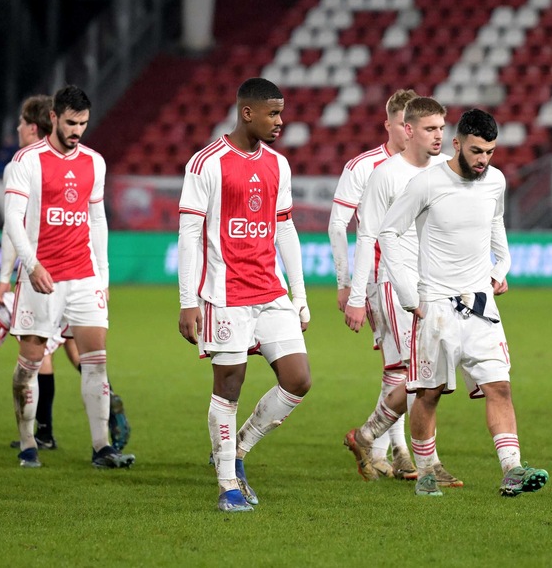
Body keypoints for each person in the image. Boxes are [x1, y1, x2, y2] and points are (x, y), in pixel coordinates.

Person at [378, 108, 549, 497]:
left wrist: (501, 265)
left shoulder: (495, 181)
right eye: (476, 151)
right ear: (457, 144)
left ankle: (512, 469)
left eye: (489, 152)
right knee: (429, 393)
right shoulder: (427, 184)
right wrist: (407, 292)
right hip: (435, 304)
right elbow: (389, 232)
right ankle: (425, 473)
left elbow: (495, 223)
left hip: (481, 305)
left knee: (500, 387)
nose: (483, 160)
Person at [178, 77, 312, 513]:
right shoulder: (207, 163)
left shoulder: (278, 164)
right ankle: (227, 486)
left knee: (297, 379)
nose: (280, 121)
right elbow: (189, 234)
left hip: (270, 290)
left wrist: (300, 292)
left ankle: (237, 450)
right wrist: (187, 300)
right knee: (229, 388)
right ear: (247, 112)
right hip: (226, 292)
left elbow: (285, 228)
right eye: (273, 113)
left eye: (281, 112)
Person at [3, 84, 134, 469]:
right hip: (41, 277)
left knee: (96, 362)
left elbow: (97, 219)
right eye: (72, 123)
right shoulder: (27, 161)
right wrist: (32, 265)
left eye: (84, 124)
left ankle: (100, 447)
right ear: (54, 118)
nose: (78, 130)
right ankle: (28, 439)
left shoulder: (95, 161)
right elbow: (12, 218)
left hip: (84, 277)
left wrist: (103, 276)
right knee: (29, 364)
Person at [340, 97, 461, 488]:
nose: (439, 135)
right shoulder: (384, 175)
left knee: (418, 373)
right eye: (431, 128)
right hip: (396, 284)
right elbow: (366, 237)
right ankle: (428, 463)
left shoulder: (445, 170)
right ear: (408, 130)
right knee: (419, 373)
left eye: (442, 128)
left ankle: (367, 437)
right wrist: (357, 296)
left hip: (437, 285)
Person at [328, 89, 418, 478]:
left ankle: (384, 449)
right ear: (390, 125)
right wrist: (347, 284)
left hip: (417, 279)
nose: (410, 131)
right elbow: (338, 225)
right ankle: (395, 450)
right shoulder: (364, 167)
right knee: (404, 367)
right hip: (378, 280)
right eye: (403, 124)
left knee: (405, 367)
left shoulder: (428, 168)